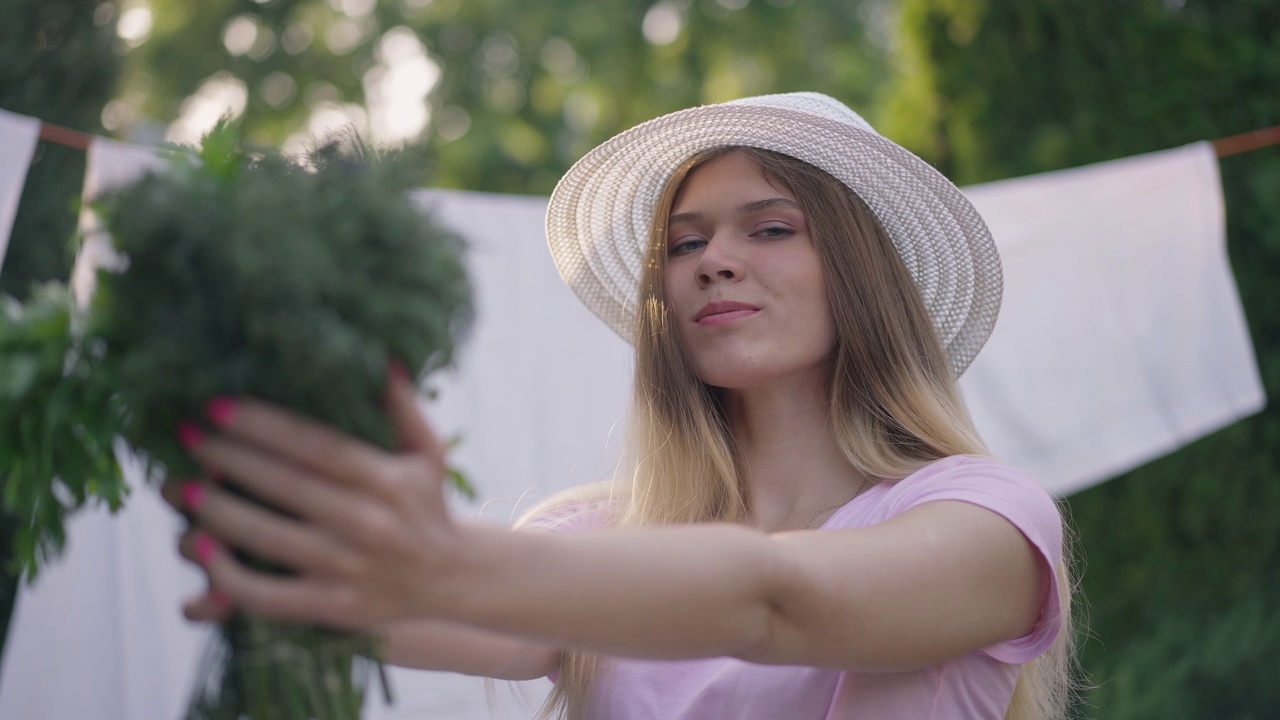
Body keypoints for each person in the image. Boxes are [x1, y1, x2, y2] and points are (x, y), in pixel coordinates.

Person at [165, 92, 1074, 720]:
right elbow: (390, 606)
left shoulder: (987, 519)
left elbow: (775, 602)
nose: (713, 260)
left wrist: (433, 557)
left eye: (770, 228)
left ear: (864, 278)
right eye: (684, 243)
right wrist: (273, 501)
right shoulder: (601, 538)